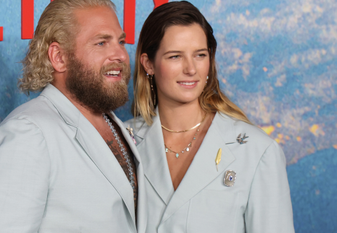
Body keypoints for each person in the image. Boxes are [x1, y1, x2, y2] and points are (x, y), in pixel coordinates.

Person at [0, 0, 147, 232]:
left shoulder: (114, 124)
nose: (120, 54)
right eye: (101, 43)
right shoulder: (28, 135)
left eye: (120, 41)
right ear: (59, 57)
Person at [126, 1, 294, 232]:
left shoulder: (256, 151)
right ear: (149, 64)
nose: (191, 69)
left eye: (200, 55)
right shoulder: (121, 143)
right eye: (175, 56)